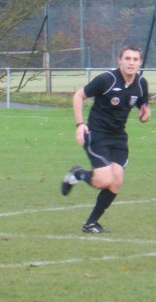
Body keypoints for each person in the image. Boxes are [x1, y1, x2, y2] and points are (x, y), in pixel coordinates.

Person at [61, 45, 150, 233]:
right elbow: (78, 96)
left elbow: (143, 109)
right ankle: (77, 175)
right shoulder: (107, 79)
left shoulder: (141, 84)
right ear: (120, 60)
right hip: (97, 134)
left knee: (116, 182)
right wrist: (79, 125)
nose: (131, 63)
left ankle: (91, 223)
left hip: (118, 137)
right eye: (127, 58)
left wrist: (144, 114)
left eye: (135, 59)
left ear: (140, 62)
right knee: (103, 180)